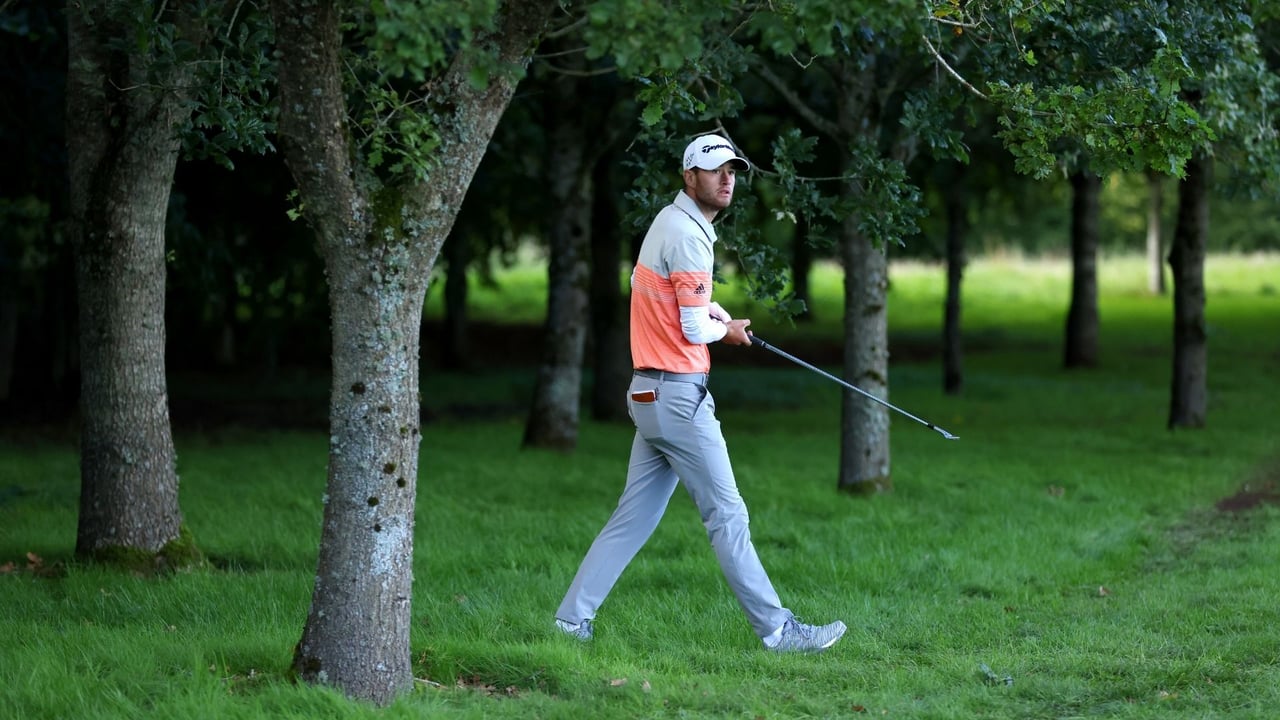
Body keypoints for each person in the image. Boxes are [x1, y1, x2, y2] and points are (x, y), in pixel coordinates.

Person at [553, 134, 847, 654]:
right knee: (727, 516)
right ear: (689, 177)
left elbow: (669, 305)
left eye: (733, 170)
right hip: (676, 398)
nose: (727, 179)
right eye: (715, 170)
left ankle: (570, 623)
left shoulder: (670, 222)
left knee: (633, 518)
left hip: (649, 394)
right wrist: (726, 331)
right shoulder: (689, 236)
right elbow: (692, 329)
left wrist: (712, 313)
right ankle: (778, 632)